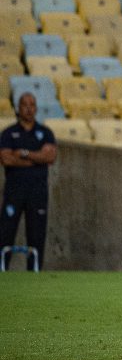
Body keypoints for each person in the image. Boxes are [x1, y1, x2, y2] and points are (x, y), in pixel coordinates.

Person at [0, 93, 57, 271]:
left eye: (32, 104)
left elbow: (50, 156)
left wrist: (23, 154)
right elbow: (6, 159)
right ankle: (3, 271)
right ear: (19, 107)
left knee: (36, 236)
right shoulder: (9, 133)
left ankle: (34, 273)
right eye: (25, 104)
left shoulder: (45, 133)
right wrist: (35, 159)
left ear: (36, 108)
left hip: (37, 192)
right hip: (14, 191)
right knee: (5, 234)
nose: (29, 108)